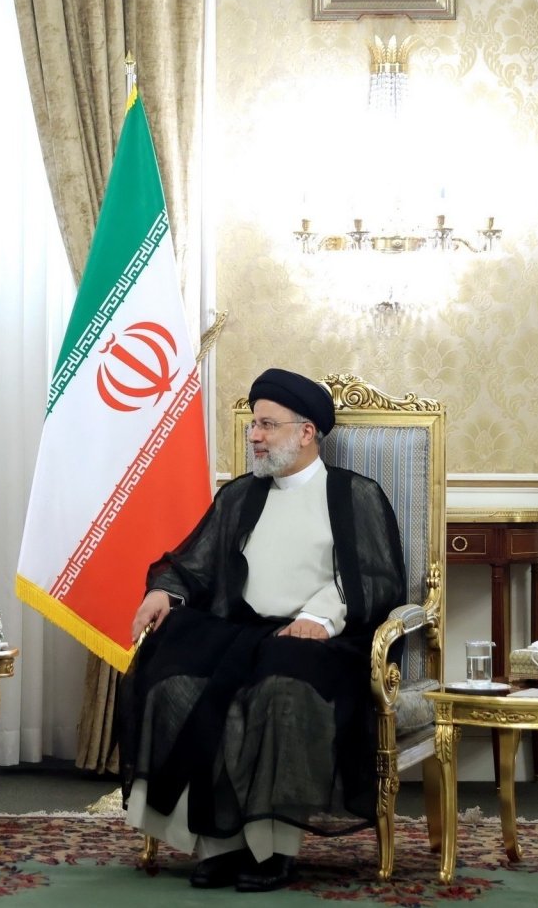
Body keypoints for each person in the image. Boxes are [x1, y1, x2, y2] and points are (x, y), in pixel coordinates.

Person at [118, 368, 406, 893]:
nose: (254, 435)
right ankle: (217, 844)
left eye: (267, 425)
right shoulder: (240, 496)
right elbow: (195, 564)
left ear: (306, 432)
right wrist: (165, 591)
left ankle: (272, 848)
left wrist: (317, 619)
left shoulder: (353, 494)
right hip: (240, 633)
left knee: (280, 689)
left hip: (319, 642)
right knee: (174, 673)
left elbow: (374, 578)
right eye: (254, 425)